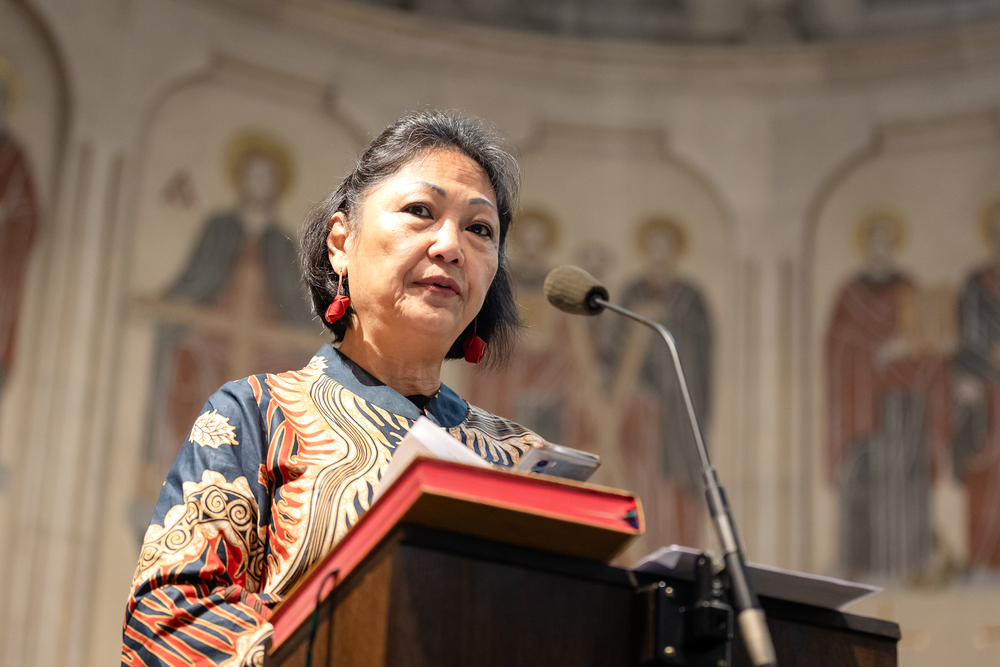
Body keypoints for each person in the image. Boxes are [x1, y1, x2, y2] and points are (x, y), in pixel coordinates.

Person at [123, 111, 546, 666]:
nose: (450, 246)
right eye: (421, 211)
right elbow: (167, 622)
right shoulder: (258, 414)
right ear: (342, 242)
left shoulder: (522, 460)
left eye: (480, 229)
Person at [825, 213, 950, 580]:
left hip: (905, 405)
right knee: (862, 480)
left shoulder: (909, 287)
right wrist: (870, 353)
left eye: (886, 242)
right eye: (874, 242)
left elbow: (928, 341)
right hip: (862, 408)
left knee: (908, 481)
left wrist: (907, 349)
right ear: (865, 246)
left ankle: (911, 561)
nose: (880, 250)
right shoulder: (850, 294)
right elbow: (835, 346)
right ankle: (861, 563)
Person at [953, 205, 1000, 572]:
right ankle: (982, 560)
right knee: (983, 473)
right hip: (985, 396)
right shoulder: (975, 281)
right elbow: (968, 338)